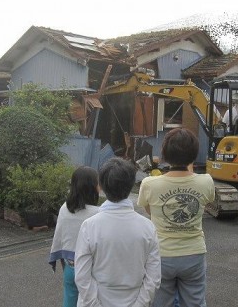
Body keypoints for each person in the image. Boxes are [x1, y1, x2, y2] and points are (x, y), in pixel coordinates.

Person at [138, 127, 215, 307]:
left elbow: (150, 212)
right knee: (195, 302)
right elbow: (206, 204)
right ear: (194, 154)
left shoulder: (149, 184)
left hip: (162, 255)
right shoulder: (206, 181)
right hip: (194, 253)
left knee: (160, 303)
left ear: (164, 154)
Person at [75, 157, 161, 307]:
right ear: (130, 185)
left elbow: (82, 277)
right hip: (135, 299)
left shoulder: (89, 226)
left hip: (96, 300)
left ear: (100, 186)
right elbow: (153, 277)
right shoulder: (148, 227)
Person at [49, 166, 100, 307]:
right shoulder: (99, 214)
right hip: (92, 272)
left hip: (70, 268)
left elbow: (60, 238)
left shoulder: (65, 208)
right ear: (93, 187)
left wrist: (66, 266)